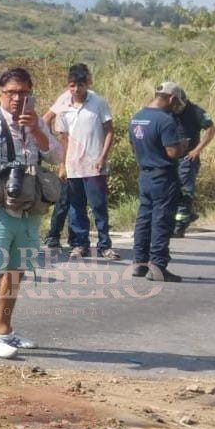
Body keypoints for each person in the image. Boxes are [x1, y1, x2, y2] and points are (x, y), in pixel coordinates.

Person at [0, 66, 63, 359]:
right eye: (12, 92)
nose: (18, 98)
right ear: (1, 94)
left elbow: (57, 155)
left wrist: (36, 130)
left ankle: (4, 330)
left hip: (28, 206)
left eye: (24, 92)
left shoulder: (35, 122)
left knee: (17, 271)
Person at [50, 64, 117, 259]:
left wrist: (102, 157)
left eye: (80, 85)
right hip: (73, 166)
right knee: (76, 207)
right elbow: (63, 138)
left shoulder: (98, 103)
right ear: (68, 86)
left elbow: (109, 130)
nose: (76, 89)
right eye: (72, 85)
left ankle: (104, 245)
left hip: (94, 165)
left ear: (86, 84)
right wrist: (62, 164)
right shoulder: (64, 107)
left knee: (98, 206)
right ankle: (80, 244)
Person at [127, 83, 188, 282]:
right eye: (176, 102)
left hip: (144, 174)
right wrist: (182, 146)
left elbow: (134, 147)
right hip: (163, 176)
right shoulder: (165, 120)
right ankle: (158, 267)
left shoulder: (137, 117)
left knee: (144, 220)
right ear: (171, 98)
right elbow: (172, 152)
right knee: (162, 221)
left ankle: (139, 263)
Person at [43, 62, 97, 251]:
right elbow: (46, 119)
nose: (76, 88)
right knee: (66, 198)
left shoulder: (93, 99)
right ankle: (54, 235)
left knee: (76, 200)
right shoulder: (66, 97)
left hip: (85, 159)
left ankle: (75, 239)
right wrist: (53, 146)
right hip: (68, 156)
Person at [166, 84, 215, 238]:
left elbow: (210, 129)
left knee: (185, 191)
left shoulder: (195, 111)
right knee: (170, 191)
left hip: (187, 158)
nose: (176, 109)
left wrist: (197, 150)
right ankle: (183, 216)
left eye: (178, 106)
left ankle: (180, 226)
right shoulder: (166, 110)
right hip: (169, 158)